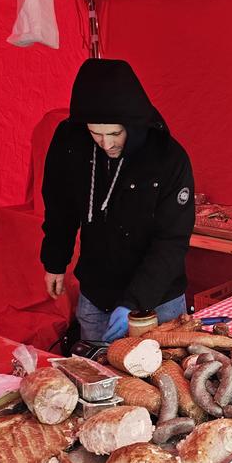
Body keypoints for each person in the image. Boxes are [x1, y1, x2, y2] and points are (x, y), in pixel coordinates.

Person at [40, 58, 195, 343]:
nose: (107, 144)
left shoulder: (168, 158)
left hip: (157, 300)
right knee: (99, 378)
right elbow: (59, 204)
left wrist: (135, 302)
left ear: (133, 125)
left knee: (162, 381)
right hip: (97, 294)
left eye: (115, 133)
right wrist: (54, 260)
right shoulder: (71, 142)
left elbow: (171, 241)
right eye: (95, 133)